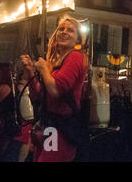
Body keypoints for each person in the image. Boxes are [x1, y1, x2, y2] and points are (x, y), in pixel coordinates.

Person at [21, 15, 88, 162]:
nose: (64, 32)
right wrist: (30, 71)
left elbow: (56, 90)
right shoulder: (56, 63)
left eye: (70, 30)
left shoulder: (76, 57)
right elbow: (39, 95)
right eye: (61, 29)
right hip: (50, 126)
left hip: (63, 129)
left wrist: (44, 69)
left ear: (78, 39)